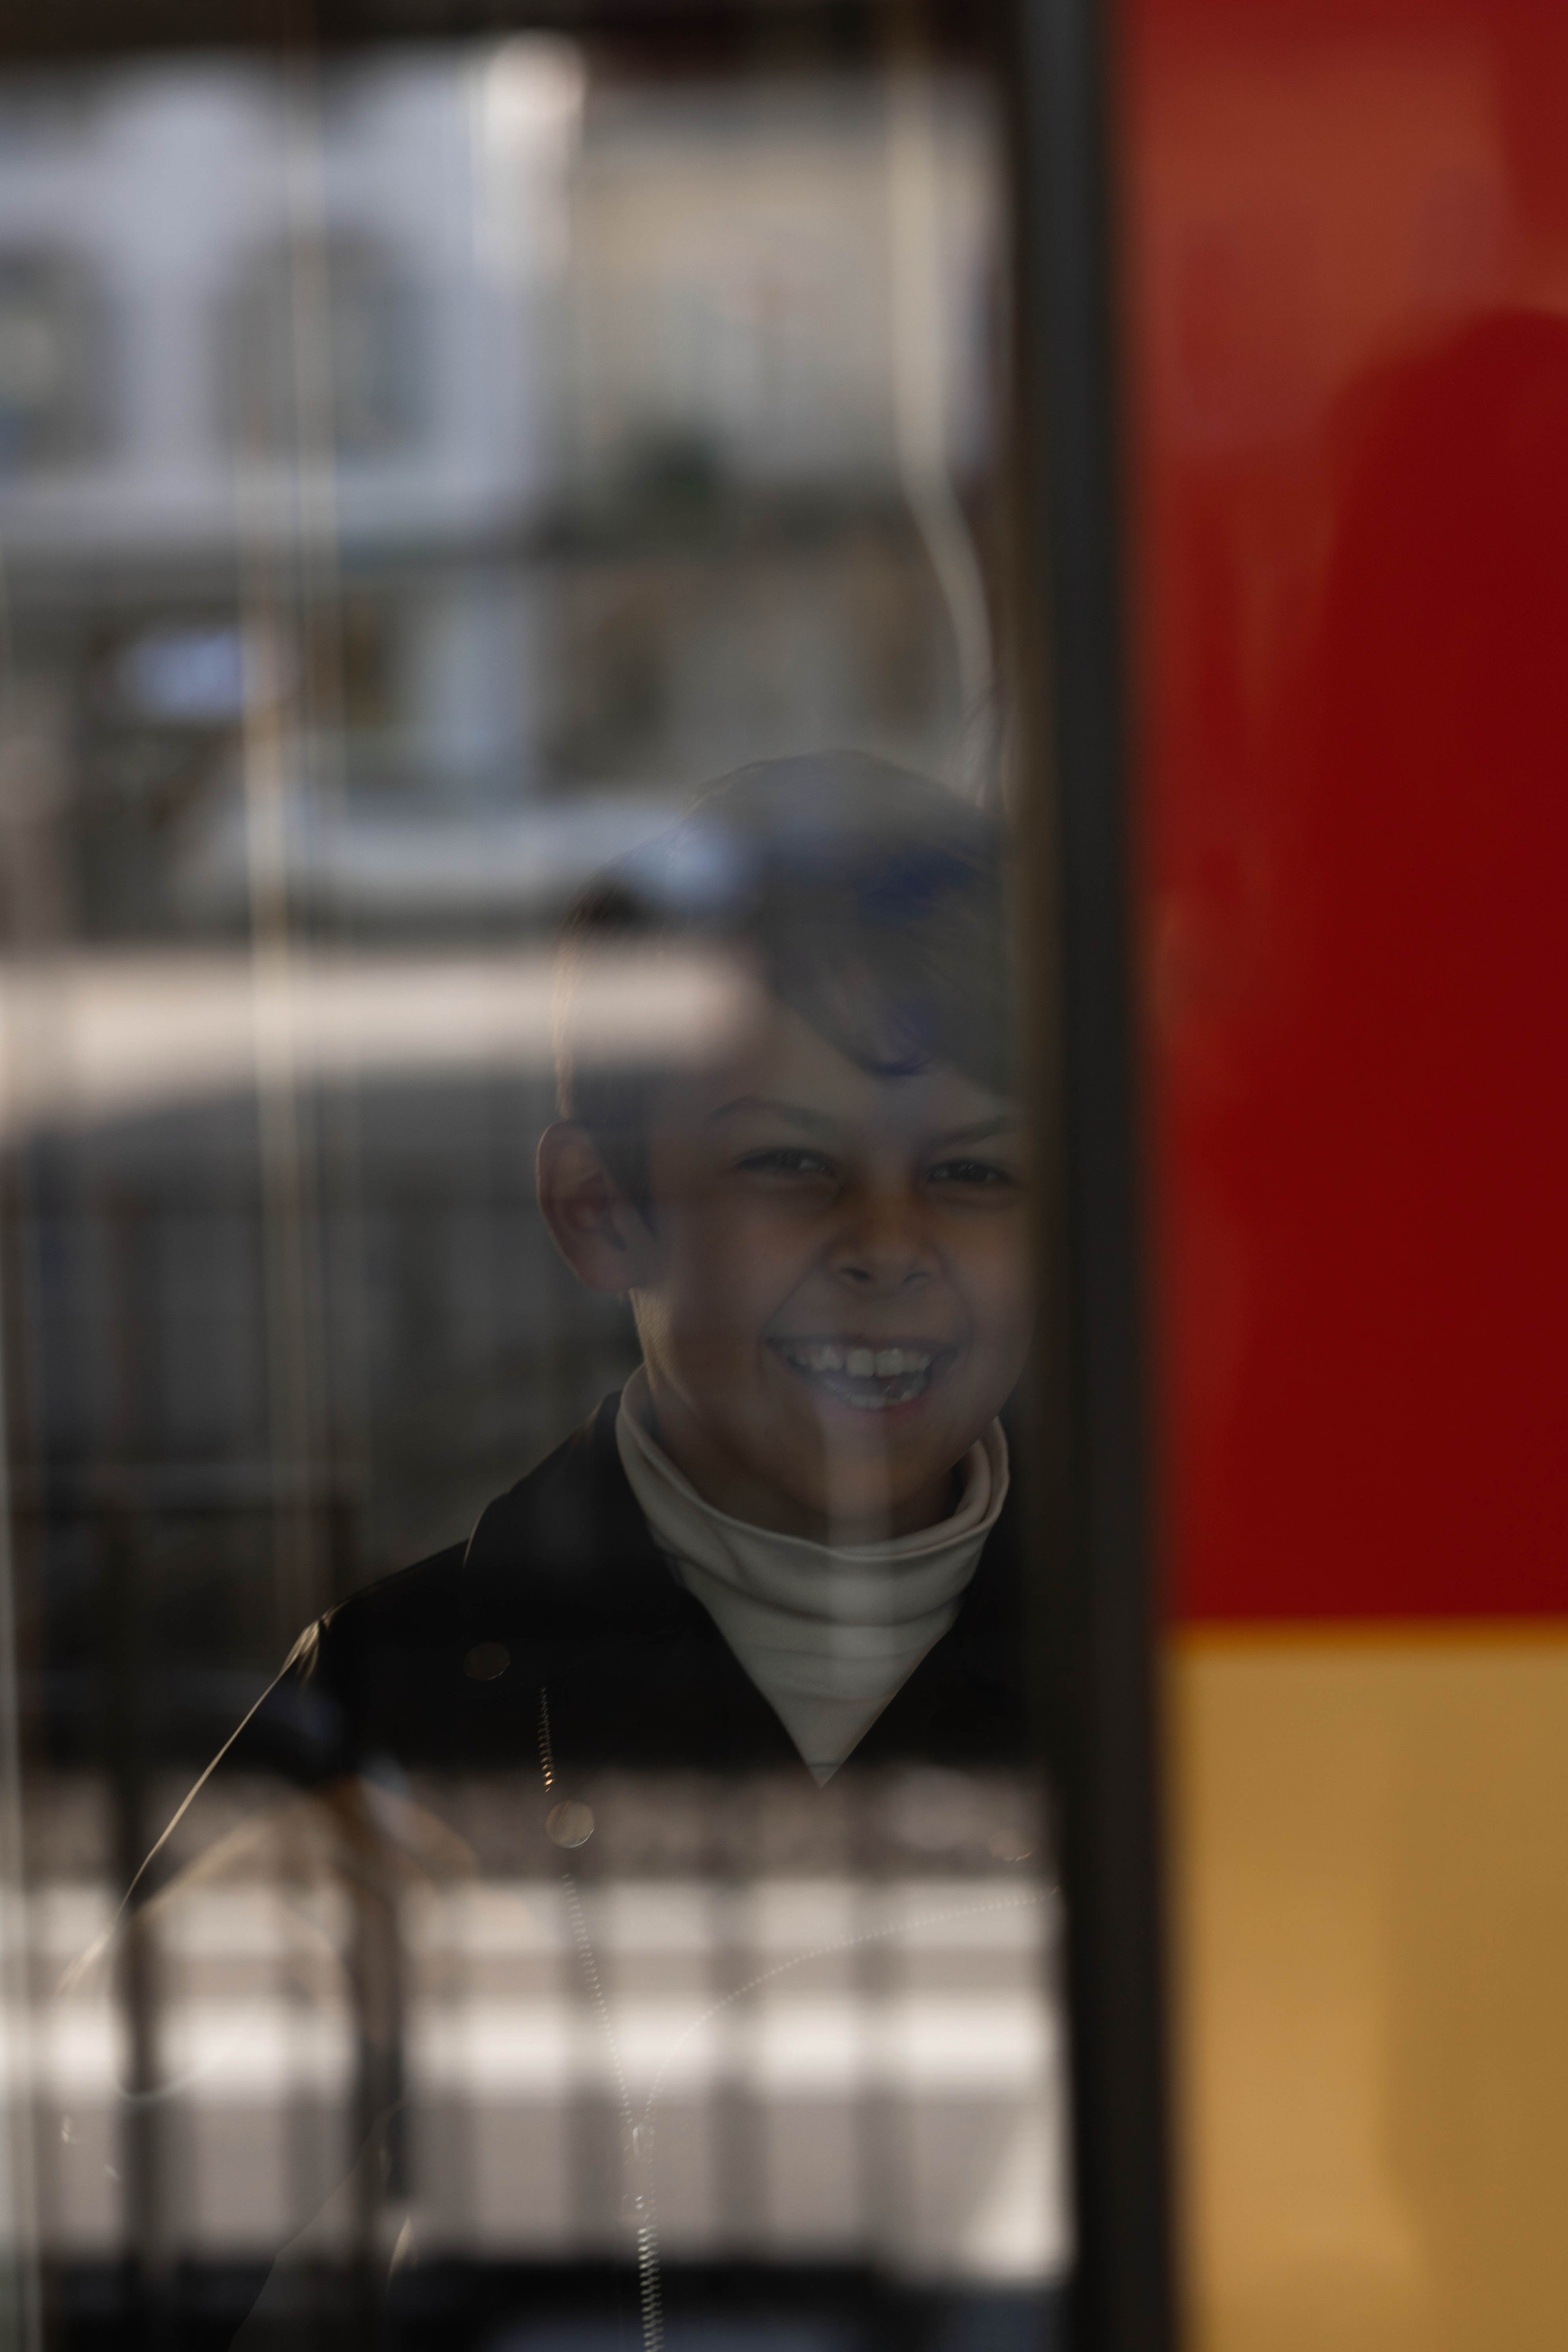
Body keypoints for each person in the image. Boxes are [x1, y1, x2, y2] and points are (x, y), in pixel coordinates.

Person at [90, 750, 1056, 2348]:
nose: (890, 1248)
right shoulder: (399, 1700)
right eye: (790, 1168)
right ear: (598, 1210)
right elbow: (124, 2209)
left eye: (975, 1173)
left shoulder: (1167, 1680)